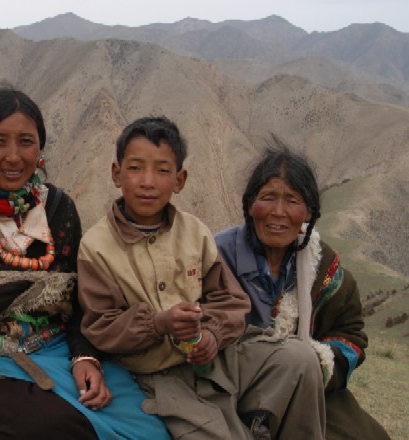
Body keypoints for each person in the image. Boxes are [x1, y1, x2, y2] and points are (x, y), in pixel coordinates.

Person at [0, 87, 171, 440]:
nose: (14, 157)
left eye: (26, 141)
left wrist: (84, 360)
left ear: (40, 147)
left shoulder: (59, 209)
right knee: (59, 428)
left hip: (56, 351)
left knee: (147, 426)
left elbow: (76, 302)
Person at [77, 116, 326, 439]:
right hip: (157, 375)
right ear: (116, 173)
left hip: (217, 359)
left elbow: (231, 301)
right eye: (136, 168)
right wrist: (158, 324)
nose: (148, 181)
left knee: (300, 360)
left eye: (163, 170)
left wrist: (211, 334)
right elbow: (101, 327)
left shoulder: (195, 232)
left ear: (180, 180)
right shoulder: (96, 247)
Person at [214, 145, 390, 440]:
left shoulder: (323, 267)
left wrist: (318, 364)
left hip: (311, 389)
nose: (278, 212)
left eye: (292, 200)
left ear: (308, 212)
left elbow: (351, 336)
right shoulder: (217, 256)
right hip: (230, 389)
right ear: (249, 206)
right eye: (267, 197)